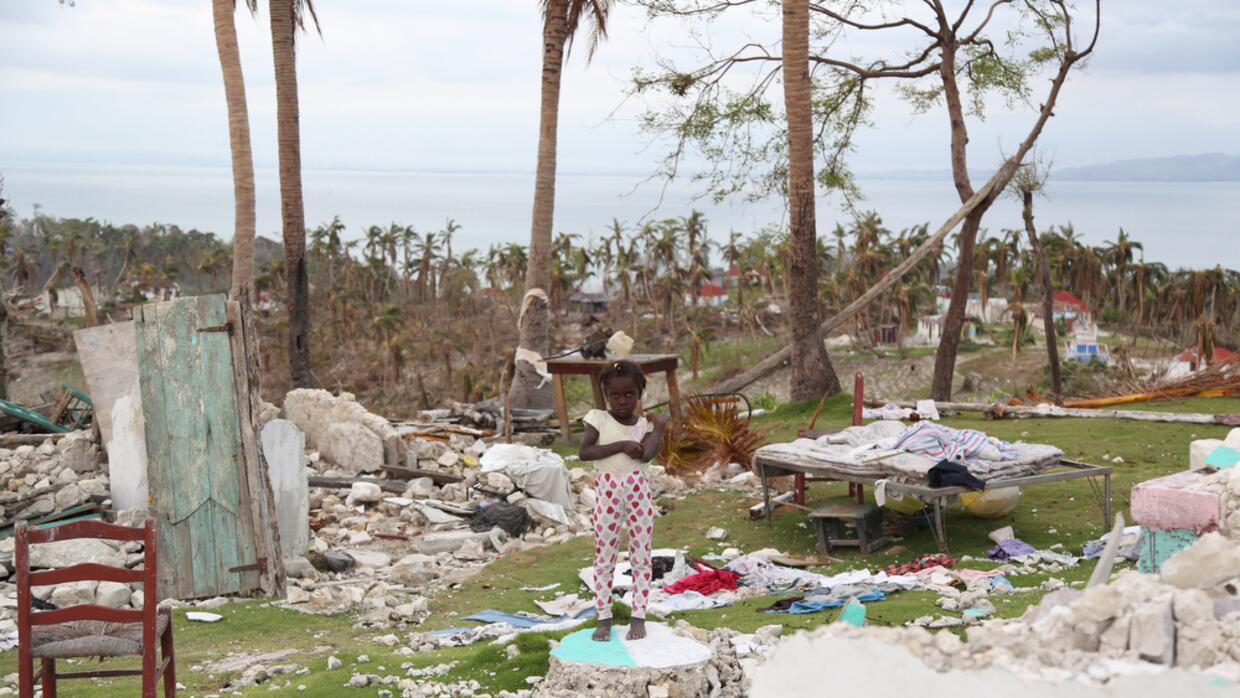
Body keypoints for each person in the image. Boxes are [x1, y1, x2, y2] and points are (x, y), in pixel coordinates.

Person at [579, 360, 668, 641]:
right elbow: (585, 452)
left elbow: (646, 455)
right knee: (604, 557)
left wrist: (659, 428)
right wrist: (620, 445)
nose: (622, 401)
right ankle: (603, 618)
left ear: (640, 393)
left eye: (629, 394)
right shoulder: (598, 419)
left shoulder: (643, 425)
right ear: (606, 395)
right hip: (607, 494)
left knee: (642, 556)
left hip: (638, 494)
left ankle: (638, 616)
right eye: (615, 395)